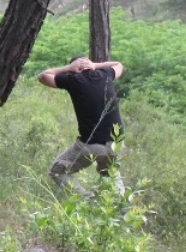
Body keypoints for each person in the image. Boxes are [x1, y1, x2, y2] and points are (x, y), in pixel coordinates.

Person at [37, 56, 126, 192]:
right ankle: (121, 208)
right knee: (110, 173)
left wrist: (68, 68)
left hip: (91, 145)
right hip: (117, 142)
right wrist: (95, 65)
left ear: (74, 70)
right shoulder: (106, 74)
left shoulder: (73, 80)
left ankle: (86, 200)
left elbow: (43, 76)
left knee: (57, 171)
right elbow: (119, 64)